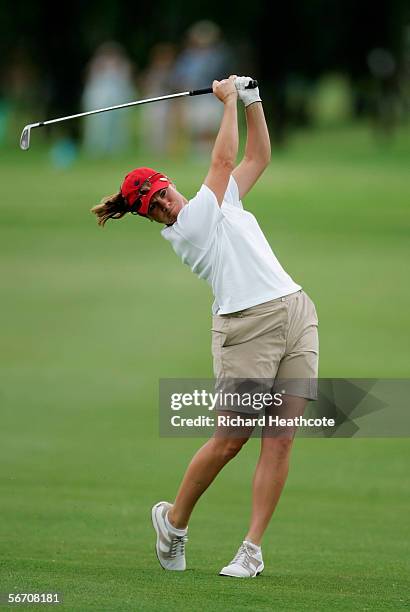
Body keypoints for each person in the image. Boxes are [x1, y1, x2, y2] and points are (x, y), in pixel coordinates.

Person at [91, 75, 319, 578]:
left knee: (280, 437)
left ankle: (251, 550)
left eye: (159, 193)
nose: (161, 204)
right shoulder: (188, 228)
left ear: (166, 181)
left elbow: (256, 158)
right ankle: (173, 524)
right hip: (245, 328)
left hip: (296, 312)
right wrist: (228, 100)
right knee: (231, 439)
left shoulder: (217, 202)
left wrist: (254, 100)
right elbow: (221, 162)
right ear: (147, 217)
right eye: (149, 206)